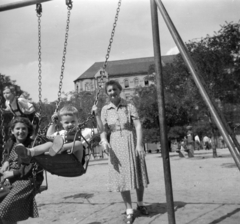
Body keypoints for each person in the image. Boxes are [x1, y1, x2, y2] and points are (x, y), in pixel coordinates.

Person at [99, 80, 149, 224]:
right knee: (122, 178)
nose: (112, 92)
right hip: (115, 144)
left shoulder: (129, 106)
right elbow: (103, 130)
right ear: (107, 93)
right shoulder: (105, 109)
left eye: (114, 89)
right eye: (109, 90)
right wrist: (104, 141)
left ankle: (140, 203)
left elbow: (138, 126)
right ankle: (129, 209)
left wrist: (139, 145)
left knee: (138, 174)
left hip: (130, 141)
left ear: (120, 90)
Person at [15, 105, 102, 164]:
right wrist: (53, 123)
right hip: (62, 160)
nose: (70, 124)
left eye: (73, 122)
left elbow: (100, 130)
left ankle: (60, 148)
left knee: (79, 144)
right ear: (62, 123)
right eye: (66, 122)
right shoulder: (61, 133)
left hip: (77, 161)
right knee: (49, 143)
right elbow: (48, 136)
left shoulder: (84, 131)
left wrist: (97, 115)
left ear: (77, 121)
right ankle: (29, 152)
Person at [0, 117, 43, 224]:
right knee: (6, 211)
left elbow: (33, 165)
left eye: (24, 129)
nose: (21, 131)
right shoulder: (10, 142)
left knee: (3, 209)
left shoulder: (33, 145)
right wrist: (5, 162)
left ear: (28, 130)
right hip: (9, 180)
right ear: (12, 131)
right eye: (17, 129)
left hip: (26, 180)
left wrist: (13, 173)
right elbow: (6, 155)